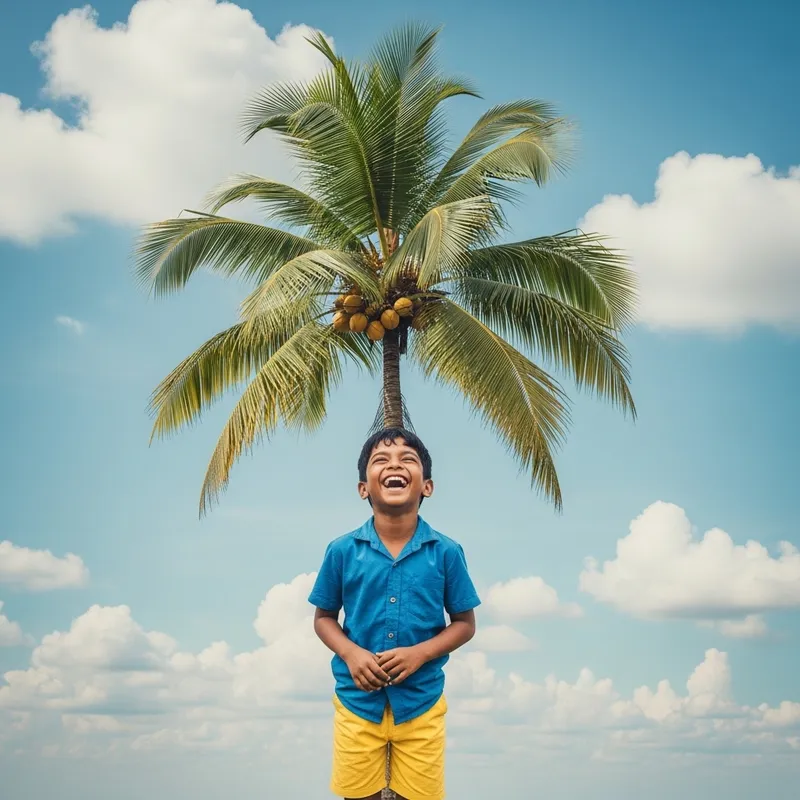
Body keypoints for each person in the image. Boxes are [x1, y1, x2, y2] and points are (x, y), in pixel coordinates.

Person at [308, 427, 481, 800]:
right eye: (381, 460)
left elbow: (465, 624)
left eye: (408, 459)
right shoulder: (341, 551)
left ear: (427, 486)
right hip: (357, 702)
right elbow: (323, 618)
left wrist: (421, 653)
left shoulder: (447, 552)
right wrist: (351, 653)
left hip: (422, 702)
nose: (394, 465)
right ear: (363, 488)